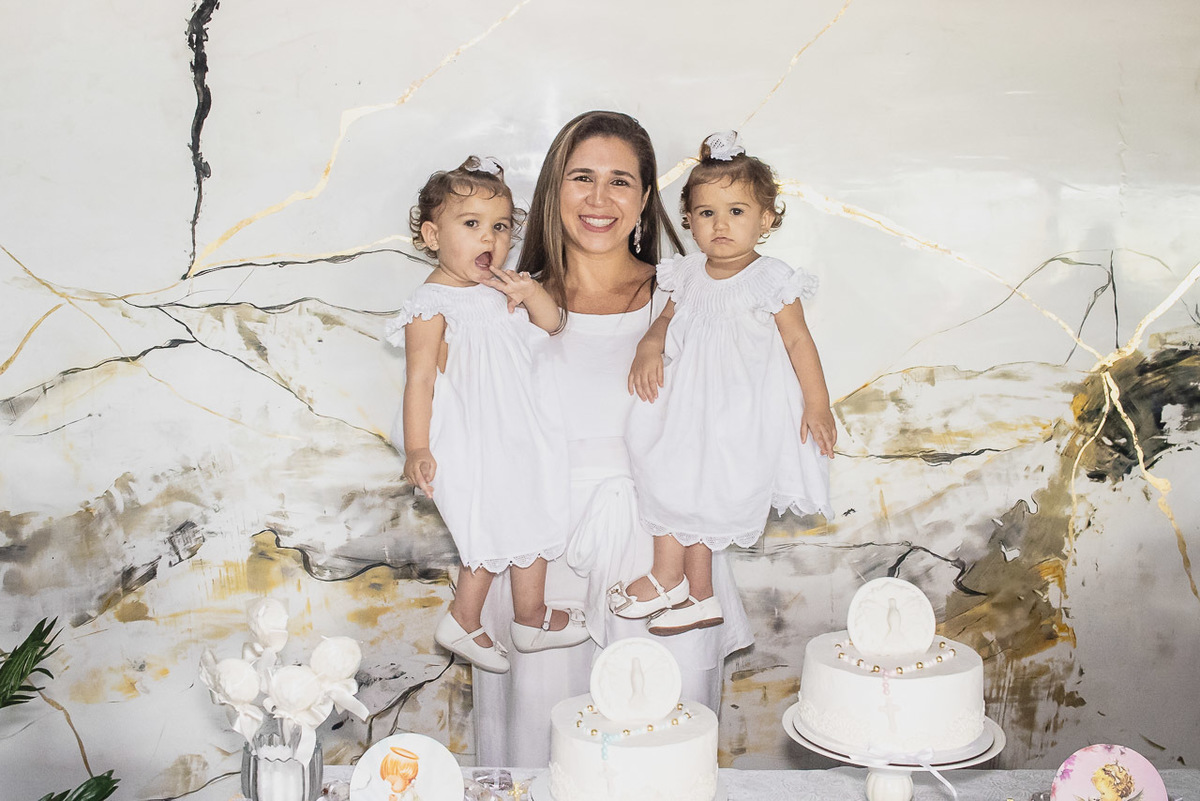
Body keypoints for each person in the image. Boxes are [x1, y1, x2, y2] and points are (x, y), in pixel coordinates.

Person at [472, 112, 754, 766]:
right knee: (543, 754)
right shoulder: (506, 303)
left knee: (662, 754)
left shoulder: (690, 295)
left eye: (620, 181)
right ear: (554, 189)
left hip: (663, 559)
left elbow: (739, 417)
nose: (599, 198)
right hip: (542, 563)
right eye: (582, 178)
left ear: (646, 196)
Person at [610, 131, 836, 636]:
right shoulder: (688, 273)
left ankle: (679, 583)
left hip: (736, 412)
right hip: (687, 407)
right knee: (671, 476)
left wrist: (818, 405)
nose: (720, 225)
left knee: (702, 492)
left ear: (766, 219)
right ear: (689, 220)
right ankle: (690, 591)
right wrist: (649, 345)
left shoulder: (770, 278)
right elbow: (666, 318)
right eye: (706, 213)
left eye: (736, 211)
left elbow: (799, 342)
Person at [385, 156, 589, 675]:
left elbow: (553, 326)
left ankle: (528, 617)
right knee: (493, 526)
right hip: (481, 437)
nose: (489, 238)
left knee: (531, 513)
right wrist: (417, 446)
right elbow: (420, 380)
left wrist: (531, 293)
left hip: (522, 430)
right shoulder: (431, 303)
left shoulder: (501, 288)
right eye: (471, 224)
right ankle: (466, 618)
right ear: (432, 235)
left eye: (500, 227)